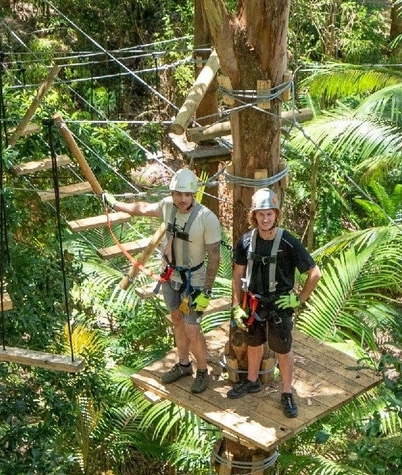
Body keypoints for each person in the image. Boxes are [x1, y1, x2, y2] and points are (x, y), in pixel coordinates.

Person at [103, 168, 221, 394]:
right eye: (178, 194)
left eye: (187, 194)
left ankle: (203, 371)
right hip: (170, 274)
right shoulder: (168, 206)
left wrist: (205, 291)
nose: (183, 199)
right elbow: (143, 209)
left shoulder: (206, 218)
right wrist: (115, 204)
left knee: (192, 328)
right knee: (177, 319)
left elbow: (214, 256)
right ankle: (184, 364)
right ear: (172, 193)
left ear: (194, 194)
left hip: (194, 279)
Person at [228, 187, 321, 418]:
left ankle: (287, 392)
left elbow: (314, 273)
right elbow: (238, 274)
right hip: (253, 302)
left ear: (276, 214)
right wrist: (238, 305)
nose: (265, 218)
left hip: (280, 304)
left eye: (269, 214)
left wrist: (298, 300)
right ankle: (252, 380)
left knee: (283, 348)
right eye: (261, 214)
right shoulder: (246, 241)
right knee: (254, 341)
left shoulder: (288, 241)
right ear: (254, 216)